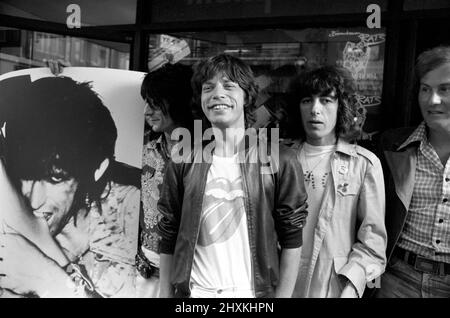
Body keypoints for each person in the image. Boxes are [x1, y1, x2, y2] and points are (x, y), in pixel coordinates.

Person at [157, 54, 308, 298]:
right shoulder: (182, 159)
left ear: (247, 96)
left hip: (251, 295)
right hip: (196, 294)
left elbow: (292, 237)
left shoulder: (281, 160)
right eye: (208, 88)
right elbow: (169, 231)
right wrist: (165, 293)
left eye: (229, 86)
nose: (217, 94)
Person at [0, 75, 140, 298]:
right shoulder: (8, 206)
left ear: (97, 170)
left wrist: (49, 277)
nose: (33, 199)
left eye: (55, 179)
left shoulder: (130, 213)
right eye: (25, 174)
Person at [286, 66, 387, 298]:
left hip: (331, 285)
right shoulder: (281, 158)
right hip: (281, 281)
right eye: (306, 101)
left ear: (341, 106)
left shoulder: (363, 164)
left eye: (326, 100)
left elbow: (373, 242)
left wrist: (352, 285)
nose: (315, 109)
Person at [376, 46, 450, 298]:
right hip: (398, 277)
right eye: (425, 89)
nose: (432, 100)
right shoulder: (393, 145)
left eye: (445, 89)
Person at [136, 63, 193, 297]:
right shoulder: (143, 150)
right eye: (146, 102)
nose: (146, 111)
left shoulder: (206, 155)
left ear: (177, 101)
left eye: (155, 103)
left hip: (190, 279)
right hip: (144, 274)